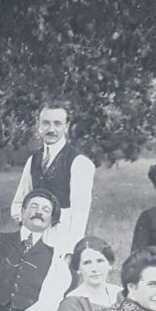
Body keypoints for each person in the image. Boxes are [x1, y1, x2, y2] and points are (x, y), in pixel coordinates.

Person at [8, 104, 95, 254]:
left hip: (62, 239)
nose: (51, 129)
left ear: (66, 127)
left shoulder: (79, 163)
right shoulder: (33, 160)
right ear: (39, 125)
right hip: (32, 239)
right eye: (46, 123)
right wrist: (28, 224)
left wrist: (71, 252)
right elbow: (18, 202)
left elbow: (80, 214)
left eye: (57, 123)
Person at [51, 236, 123, 311]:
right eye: (87, 263)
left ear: (110, 265)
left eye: (100, 261)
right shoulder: (72, 303)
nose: (95, 269)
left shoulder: (121, 294)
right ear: (78, 269)